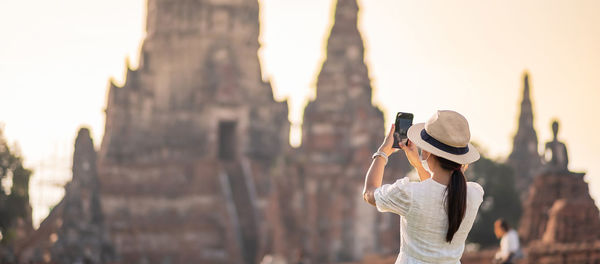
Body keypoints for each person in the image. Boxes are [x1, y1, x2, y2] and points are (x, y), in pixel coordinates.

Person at [363, 110, 484, 264]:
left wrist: (382, 153)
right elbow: (436, 193)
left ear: (426, 151)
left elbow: (369, 192)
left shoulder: (409, 194)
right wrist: (419, 166)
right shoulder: (474, 195)